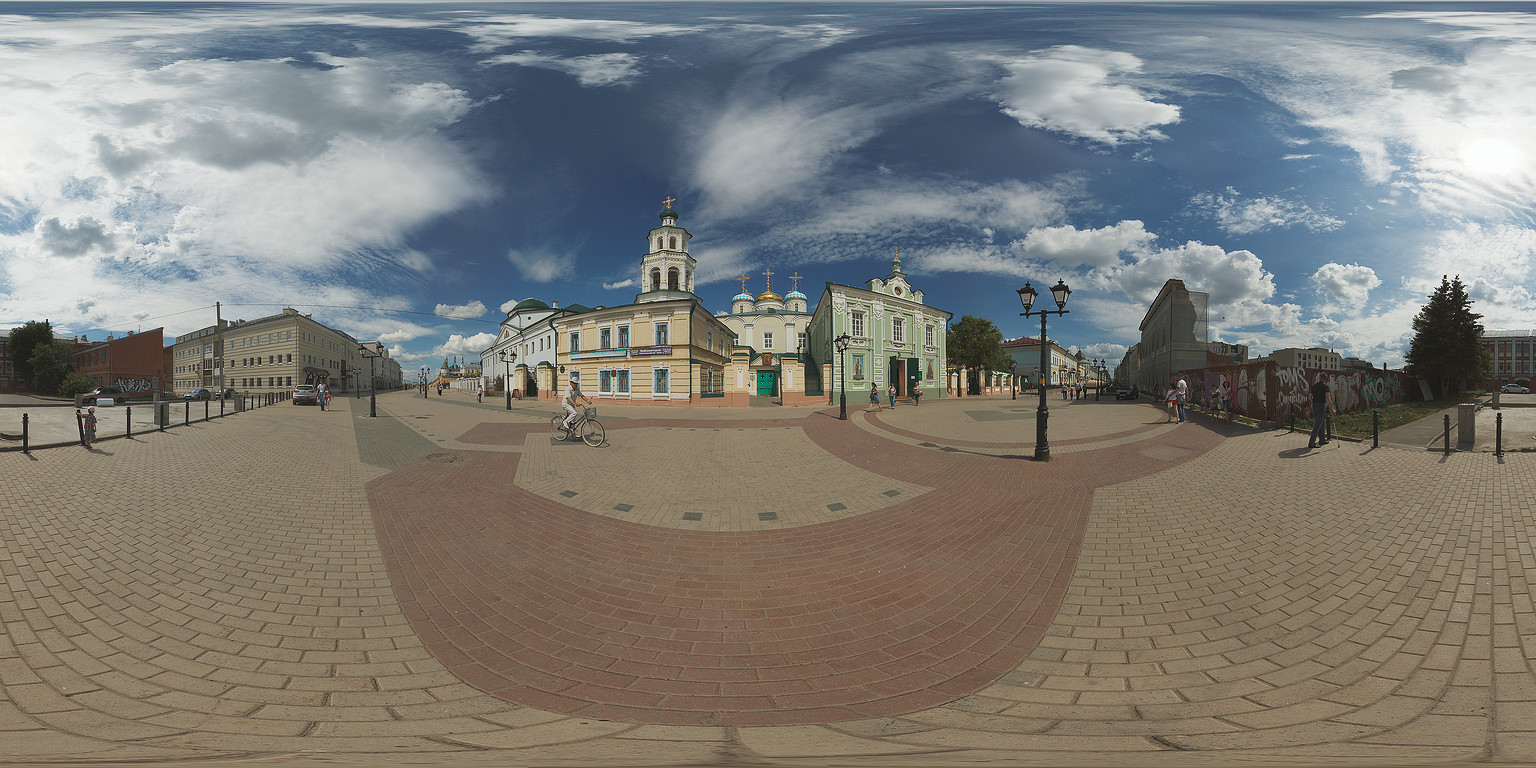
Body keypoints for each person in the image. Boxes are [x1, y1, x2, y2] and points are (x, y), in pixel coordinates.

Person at [1308, 373, 1334, 449]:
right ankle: (1311, 443)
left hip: (1315, 405)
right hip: (1321, 406)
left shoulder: (1315, 386)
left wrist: (1315, 401)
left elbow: (1309, 397)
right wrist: (1331, 408)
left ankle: (1322, 440)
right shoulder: (1326, 387)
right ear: (1326, 379)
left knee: (1321, 423)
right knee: (1317, 424)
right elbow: (1328, 397)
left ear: (1319, 378)